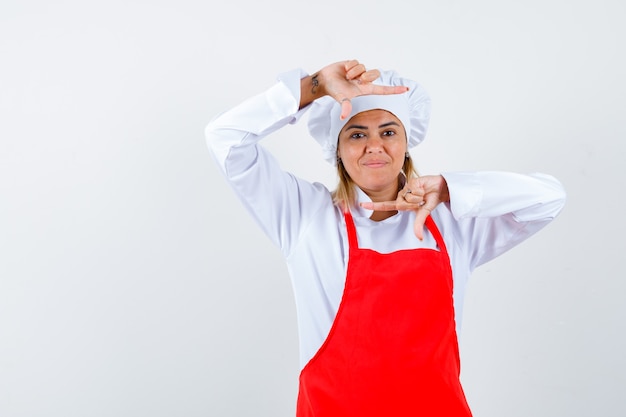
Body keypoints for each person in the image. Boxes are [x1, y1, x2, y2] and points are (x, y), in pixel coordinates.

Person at [205, 59, 566, 417]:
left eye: (389, 132)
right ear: (338, 151)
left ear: (407, 144)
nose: (374, 145)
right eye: (357, 133)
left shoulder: (453, 223)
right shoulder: (306, 217)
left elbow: (548, 199)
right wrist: (313, 86)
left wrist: (450, 187)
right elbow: (225, 138)